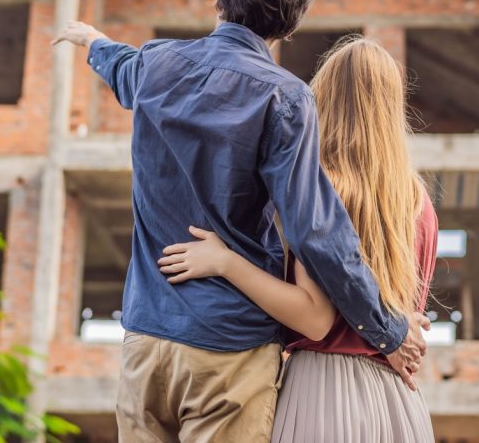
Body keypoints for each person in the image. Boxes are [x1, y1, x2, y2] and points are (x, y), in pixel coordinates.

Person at [50, 0, 429, 442]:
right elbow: (316, 231)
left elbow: (122, 66)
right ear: (288, 28)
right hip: (228, 351)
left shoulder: (156, 65)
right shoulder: (285, 97)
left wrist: (93, 41)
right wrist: (388, 330)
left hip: (146, 339)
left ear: (218, 1)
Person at [159, 36, 438, 442]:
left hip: (323, 394)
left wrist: (225, 262)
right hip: (400, 402)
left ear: (323, 95)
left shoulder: (320, 192)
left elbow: (313, 317)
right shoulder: (420, 204)